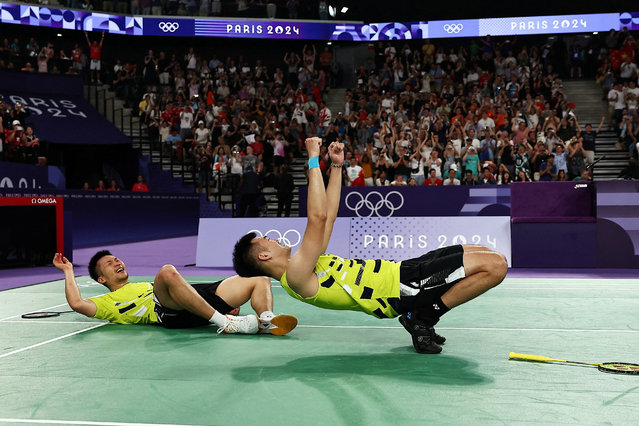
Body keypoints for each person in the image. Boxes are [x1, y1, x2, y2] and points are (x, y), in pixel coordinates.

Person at [232, 137, 508, 354]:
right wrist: (313, 160)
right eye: (266, 240)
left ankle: (421, 316)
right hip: (401, 290)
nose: (274, 237)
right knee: (495, 267)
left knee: (484, 253)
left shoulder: (303, 265)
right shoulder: (295, 277)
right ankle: (423, 318)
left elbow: (328, 217)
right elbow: (316, 217)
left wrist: (337, 166)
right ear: (265, 255)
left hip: (401, 271)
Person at [52, 251, 296, 335]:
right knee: (167, 272)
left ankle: (267, 321)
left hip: (193, 299)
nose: (116, 261)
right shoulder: (106, 303)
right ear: (102, 279)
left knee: (257, 277)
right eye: (108, 263)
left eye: (116, 258)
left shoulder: (142, 285)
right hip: (167, 313)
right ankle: (226, 322)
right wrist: (68, 270)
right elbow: (76, 303)